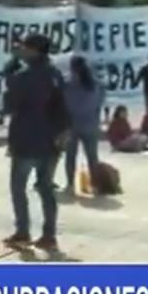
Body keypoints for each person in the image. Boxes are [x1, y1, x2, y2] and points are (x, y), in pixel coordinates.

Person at [2, 34, 66, 251]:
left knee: (18, 188)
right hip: (50, 142)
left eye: (25, 48)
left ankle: (23, 231)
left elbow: (10, 104)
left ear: (35, 50)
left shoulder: (24, 76)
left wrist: (10, 66)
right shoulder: (55, 74)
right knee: (46, 188)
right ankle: (49, 235)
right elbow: (64, 107)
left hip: (26, 140)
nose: (22, 51)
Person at [64, 56, 105, 193]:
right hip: (91, 124)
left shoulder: (68, 85)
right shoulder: (97, 85)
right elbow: (100, 103)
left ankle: (70, 185)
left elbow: (64, 105)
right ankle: (96, 185)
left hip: (72, 124)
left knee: (70, 157)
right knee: (93, 157)